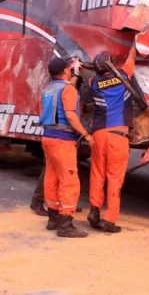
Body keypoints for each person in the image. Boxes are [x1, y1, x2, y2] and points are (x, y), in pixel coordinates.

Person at [39, 57, 92, 238]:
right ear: (66, 70)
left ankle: (53, 218)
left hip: (48, 137)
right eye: (69, 69)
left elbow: (65, 91)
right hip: (63, 140)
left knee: (52, 177)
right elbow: (70, 114)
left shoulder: (48, 89)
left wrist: (75, 75)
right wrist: (86, 134)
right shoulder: (67, 89)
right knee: (70, 180)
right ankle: (66, 224)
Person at [87, 46, 136, 233]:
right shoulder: (123, 75)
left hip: (98, 134)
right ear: (112, 64)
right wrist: (135, 42)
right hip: (118, 136)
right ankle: (109, 220)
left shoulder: (93, 82)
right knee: (114, 178)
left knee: (97, 175)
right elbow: (132, 55)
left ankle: (94, 211)